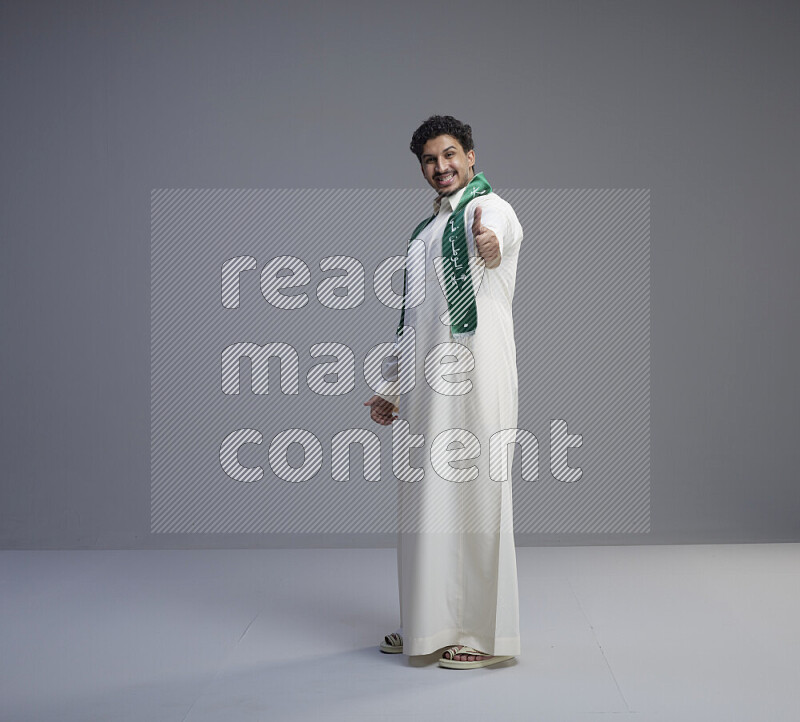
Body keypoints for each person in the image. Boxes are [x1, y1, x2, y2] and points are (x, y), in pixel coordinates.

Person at [364, 115, 523, 669]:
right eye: (430, 160)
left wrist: (489, 244)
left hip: (478, 379)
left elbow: (498, 242)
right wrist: (392, 386)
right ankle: (425, 626)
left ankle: (484, 637)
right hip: (429, 388)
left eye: (450, 154)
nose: (441, 167)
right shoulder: (423, 234)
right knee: (424, 504)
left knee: (477, 497)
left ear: (472, 155)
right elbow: (414, 321)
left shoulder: (492, 208)